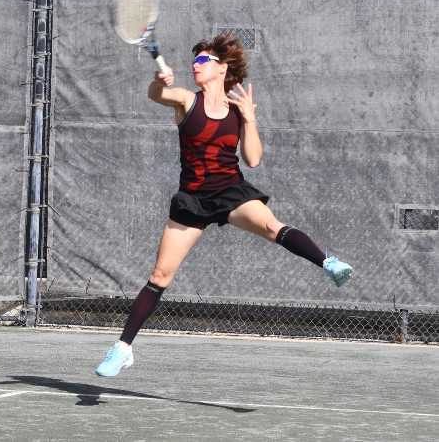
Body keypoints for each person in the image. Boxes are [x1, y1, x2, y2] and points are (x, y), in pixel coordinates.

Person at [95, 34, 352, 377]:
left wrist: (249, 117)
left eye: (202, 61)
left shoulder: (236, 111)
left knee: (272, 226)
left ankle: (328, 263)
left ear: (222, 68)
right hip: (193, 199)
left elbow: (253, 159)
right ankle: (123, 349)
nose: (195, 66)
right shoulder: (186, 100)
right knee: (159, 276)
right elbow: (156, 95)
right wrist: (158, 82)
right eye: (194, 62)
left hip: (231, 192)